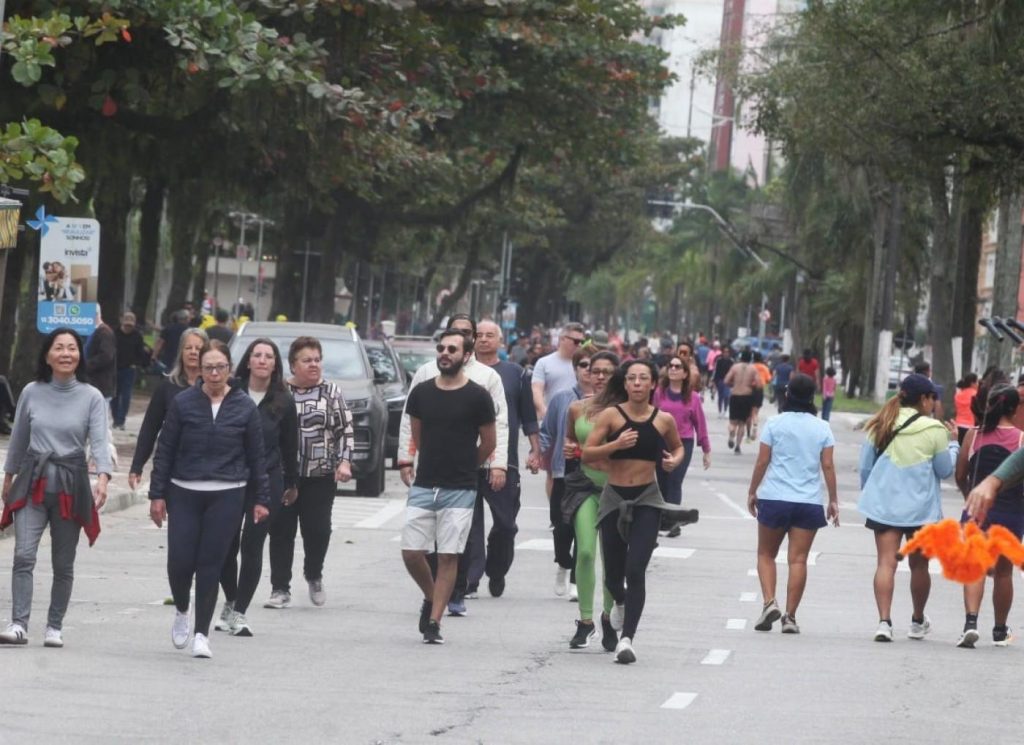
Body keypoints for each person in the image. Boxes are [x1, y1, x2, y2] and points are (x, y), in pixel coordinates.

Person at [148, 340, 269, 659]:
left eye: (220, 367)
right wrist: (156, 494)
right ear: (199, 371)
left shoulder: (244, 406)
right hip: (184, 491)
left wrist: (261, 498)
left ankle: (201, 633)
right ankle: (182, 611)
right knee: (179, 561)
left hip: (228, 493)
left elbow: (257, 457)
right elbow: (165, 450)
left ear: (230, 369)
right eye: (208, 368)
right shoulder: (183, 403)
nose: (214, 374)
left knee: (210, 565)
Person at [581, 359, 697, 664]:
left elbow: (679, 447)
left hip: (647, 498)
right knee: (613, 576)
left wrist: (674, 460)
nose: (636, 383)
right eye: (631, 378)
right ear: (625, 384)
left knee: (636, 570)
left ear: (651, 385)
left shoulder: (663, 420)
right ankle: (618, 601)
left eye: (643, 378)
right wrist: (615, 444)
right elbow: (587, 453)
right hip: (614, 497)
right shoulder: (610, 415)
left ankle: (627, 639)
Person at [0, 329, 111, 647]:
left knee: (64, 563)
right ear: (47, 356)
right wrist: (8, 476)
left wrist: (103, 476)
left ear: (80, 355)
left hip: (70, 484)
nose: (66, 353)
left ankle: (54, 626)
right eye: (59, 348)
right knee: (23, 555)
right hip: (32, 482)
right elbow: (19, 437)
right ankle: (19, 623)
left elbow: (100, 442)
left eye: (72, 348)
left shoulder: (91, 396)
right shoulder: (31, 392)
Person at [397, 314, 508, 615]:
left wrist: (493, 464)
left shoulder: (486, 380)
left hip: (468, 474)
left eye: (458, 341)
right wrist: (407, 459)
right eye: (442, 346)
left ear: (468, 347)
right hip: (429, 475)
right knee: (419, 546)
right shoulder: (423, 377)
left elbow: (498, 429)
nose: (446, 352)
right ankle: (434, 595)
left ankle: (455, 594)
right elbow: (412, 424)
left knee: (460, 541)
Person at [858, 373, 959, 642]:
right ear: (924, 400)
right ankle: (917, 620)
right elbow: (944, 470)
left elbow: (866, 468)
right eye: (932, 397)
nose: (934, 403)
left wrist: (873, 491)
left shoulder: (880, 423)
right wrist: (953, 444)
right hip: (921, 512)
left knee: (885, 563)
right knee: (919, 567)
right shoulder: (935, 430)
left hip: (884, 507)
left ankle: (884, 622)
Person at [214, 339, 298, 637]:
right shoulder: (230, 393)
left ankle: (239, 612)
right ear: (248, 361)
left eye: (268, 356)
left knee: (252, 544)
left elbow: (291, 445)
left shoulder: (283, 400)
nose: (262, 360)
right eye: (257, 355)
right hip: (231, 478)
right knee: (225, 546)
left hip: (267, 480)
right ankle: (231, 598)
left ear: (275, 364)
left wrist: (291, 483)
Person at [264, 336, 354, 610]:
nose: (314, 365)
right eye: (307, 360)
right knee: (281, 531)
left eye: (317, 359)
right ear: (293, 365)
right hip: (283, 474)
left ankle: (314, 573)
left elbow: (345, 430)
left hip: (320, 475)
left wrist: (344, 462)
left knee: (318, 530)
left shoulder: (332, 392)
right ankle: (280, 588)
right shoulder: (278, 392)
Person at [746, 374, 838, 634]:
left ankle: (768, 603)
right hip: (808, 503)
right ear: (813, 396)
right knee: (798, 560)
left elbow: (763, 461)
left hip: (775, 498)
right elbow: (828, 465)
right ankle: (790, 617)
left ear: (787, 394)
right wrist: (833, 500)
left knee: (766, 554)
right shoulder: (822, 427)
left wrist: (753, 491)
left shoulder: (774, 423)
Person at [461, 320, 540, 599]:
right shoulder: (462, 371)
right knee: (471, 525)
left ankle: (497, 569)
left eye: (489, 335)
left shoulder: (515, 374)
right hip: (469, 459)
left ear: (500, 340)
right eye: (478, 335)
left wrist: (534, 450)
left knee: (505, 525)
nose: (483, 340)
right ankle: (470, 579)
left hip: (504, 461)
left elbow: (528, 416)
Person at [953, 383, 1022, 648]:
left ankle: (971, 623)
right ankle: (1000, 630)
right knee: (1004, 573)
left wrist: (969, 496)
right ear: (1015, 408)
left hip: (976, 514)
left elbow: (960, 474)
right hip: (1011, 513)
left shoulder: (973, 435)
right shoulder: (1020, 439)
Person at [564, 351, 620, 650]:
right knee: (585, 552)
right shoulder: (576, 408)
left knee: (612, 560)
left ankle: (609, 619)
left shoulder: (628, 411)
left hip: (617, 491)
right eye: (595, 370)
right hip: (585, 487)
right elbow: (571, 442)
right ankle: (585, 621)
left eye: (607, 372)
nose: (599, 376)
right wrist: (569, 448)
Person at [540, 348, 593, 598]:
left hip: (593, 474)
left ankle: (575, 580)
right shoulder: (562, 398)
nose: (590, 371)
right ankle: (563, 562)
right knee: (561, 528)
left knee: (584, 530)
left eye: (596, 367)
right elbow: (547, 431)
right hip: (564, 471)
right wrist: (537, 454)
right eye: (584, 365)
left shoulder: (610, 404)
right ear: (575, 369)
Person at [129, 328, 209, 491]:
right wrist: (137, 465)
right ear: (181, 352)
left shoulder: (215, 387)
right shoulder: (167, 387)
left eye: (198, 348)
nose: (193, 352)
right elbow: (150, 428)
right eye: (188, 348)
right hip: (175, 466)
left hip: (208, 467)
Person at [654, 355, 711, 537]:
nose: (673, 369)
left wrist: (706, 449)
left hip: (682, 443)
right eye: (670, 365)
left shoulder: (693, 398)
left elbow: (700, 424)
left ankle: (674, 522)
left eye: (677, 366)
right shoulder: (658, 393)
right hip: (660, 442)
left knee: (674, 482)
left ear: (685, 373)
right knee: (662, 482)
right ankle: (662, 519)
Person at [531, 322, 586, 420]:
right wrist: (543, 410)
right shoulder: (544, 362)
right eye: (576, 341)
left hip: (579, 418)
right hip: (552, 417)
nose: (580, 345)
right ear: (562, 339)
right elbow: (537, 389)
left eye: (583, 341)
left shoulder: (585, 364)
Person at [112, 311, 149, 429]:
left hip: (129, 369)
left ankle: (121, 420)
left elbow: (140, 352)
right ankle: (116, 419)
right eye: (126, 324)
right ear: (122, 321)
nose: (128, 327)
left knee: (126, 395)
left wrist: (137, 364)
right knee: (115, 395)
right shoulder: (114, 333)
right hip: (115, 368)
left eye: (130, 325)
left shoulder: (137, 336)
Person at [724, 350, 761, 454]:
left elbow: (726, 380)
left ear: (741, 357)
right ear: (750, 359)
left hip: (735, 395)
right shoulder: (753, 369)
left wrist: (733, 384)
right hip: (746, 396)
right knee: (742, 423)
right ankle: (738, 446)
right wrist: (751, 385)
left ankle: (731, 435)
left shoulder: (735, 367)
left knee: (733, 422)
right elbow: (759, 384)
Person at [85, 309, 117, 405]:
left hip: (101, 384)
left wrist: (85, 366)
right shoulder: (92, 331)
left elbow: (106, 355)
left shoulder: (104, 332)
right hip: (94, 383)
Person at [152, 309, 191, 373]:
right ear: (186, 319)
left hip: (168, 359)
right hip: (183, 360)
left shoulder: (168, 328)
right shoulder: (189, 331)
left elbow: (160, 343)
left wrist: (154, 355)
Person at [749, 352, 772, 439]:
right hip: (759, 390)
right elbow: (769, 379)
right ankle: (755, 424)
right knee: (756, 411)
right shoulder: (764, 368)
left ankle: (750, 428)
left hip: (751, 389)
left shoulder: (751, 367)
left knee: (750, 411)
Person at [954, 372, 979, 444]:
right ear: (972, 383)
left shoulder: (958, 395)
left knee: (958, 447)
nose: (978, 384)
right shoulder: (976, 394)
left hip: (958, 425)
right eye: (977, 382)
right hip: (970, 426)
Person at [712, 345, 734, 417]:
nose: (726, 353)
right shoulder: (719, 361)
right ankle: (720, 411)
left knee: (726, 396)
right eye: (724, 352)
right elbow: (716, 371)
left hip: (728, 381)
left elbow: (733, 372)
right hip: (720, 380)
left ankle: (725, 410)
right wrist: (714, 381)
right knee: (720, 396)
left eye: (727, 352)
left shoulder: (731, 361)